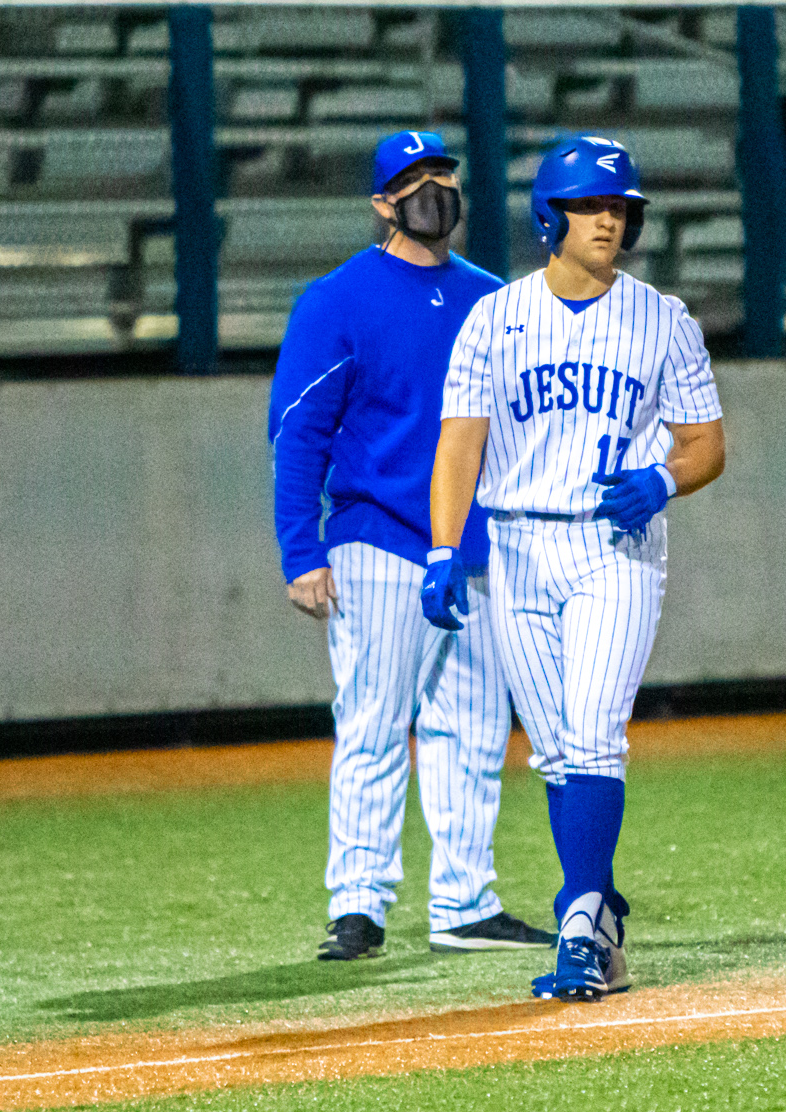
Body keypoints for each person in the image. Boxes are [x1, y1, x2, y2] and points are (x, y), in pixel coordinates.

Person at [420, 134, 726, 1001]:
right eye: (592, 206)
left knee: (593, 735)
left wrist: (661, 479)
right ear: (547, 216)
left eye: (621, 208)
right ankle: (598, 911)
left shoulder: (662, 318)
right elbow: (459, 447)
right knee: (556, 754)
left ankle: (579, 929)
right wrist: (445, 548)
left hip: (612, 550)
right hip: (516, 547)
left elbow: (707, 444)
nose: (610, 220)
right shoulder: (495, 317)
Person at [268, 130, 554, 961]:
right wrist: (301, 550)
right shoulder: (336, 300)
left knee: (471, 730)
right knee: (374, 722)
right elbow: (298, 433)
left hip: (473, 548)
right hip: (377, 541)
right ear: (381, 203)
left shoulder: (494, 298)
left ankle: (464, 904)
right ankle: (357, 906)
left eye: (444, 175)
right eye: (416, 178)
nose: (435, 189)